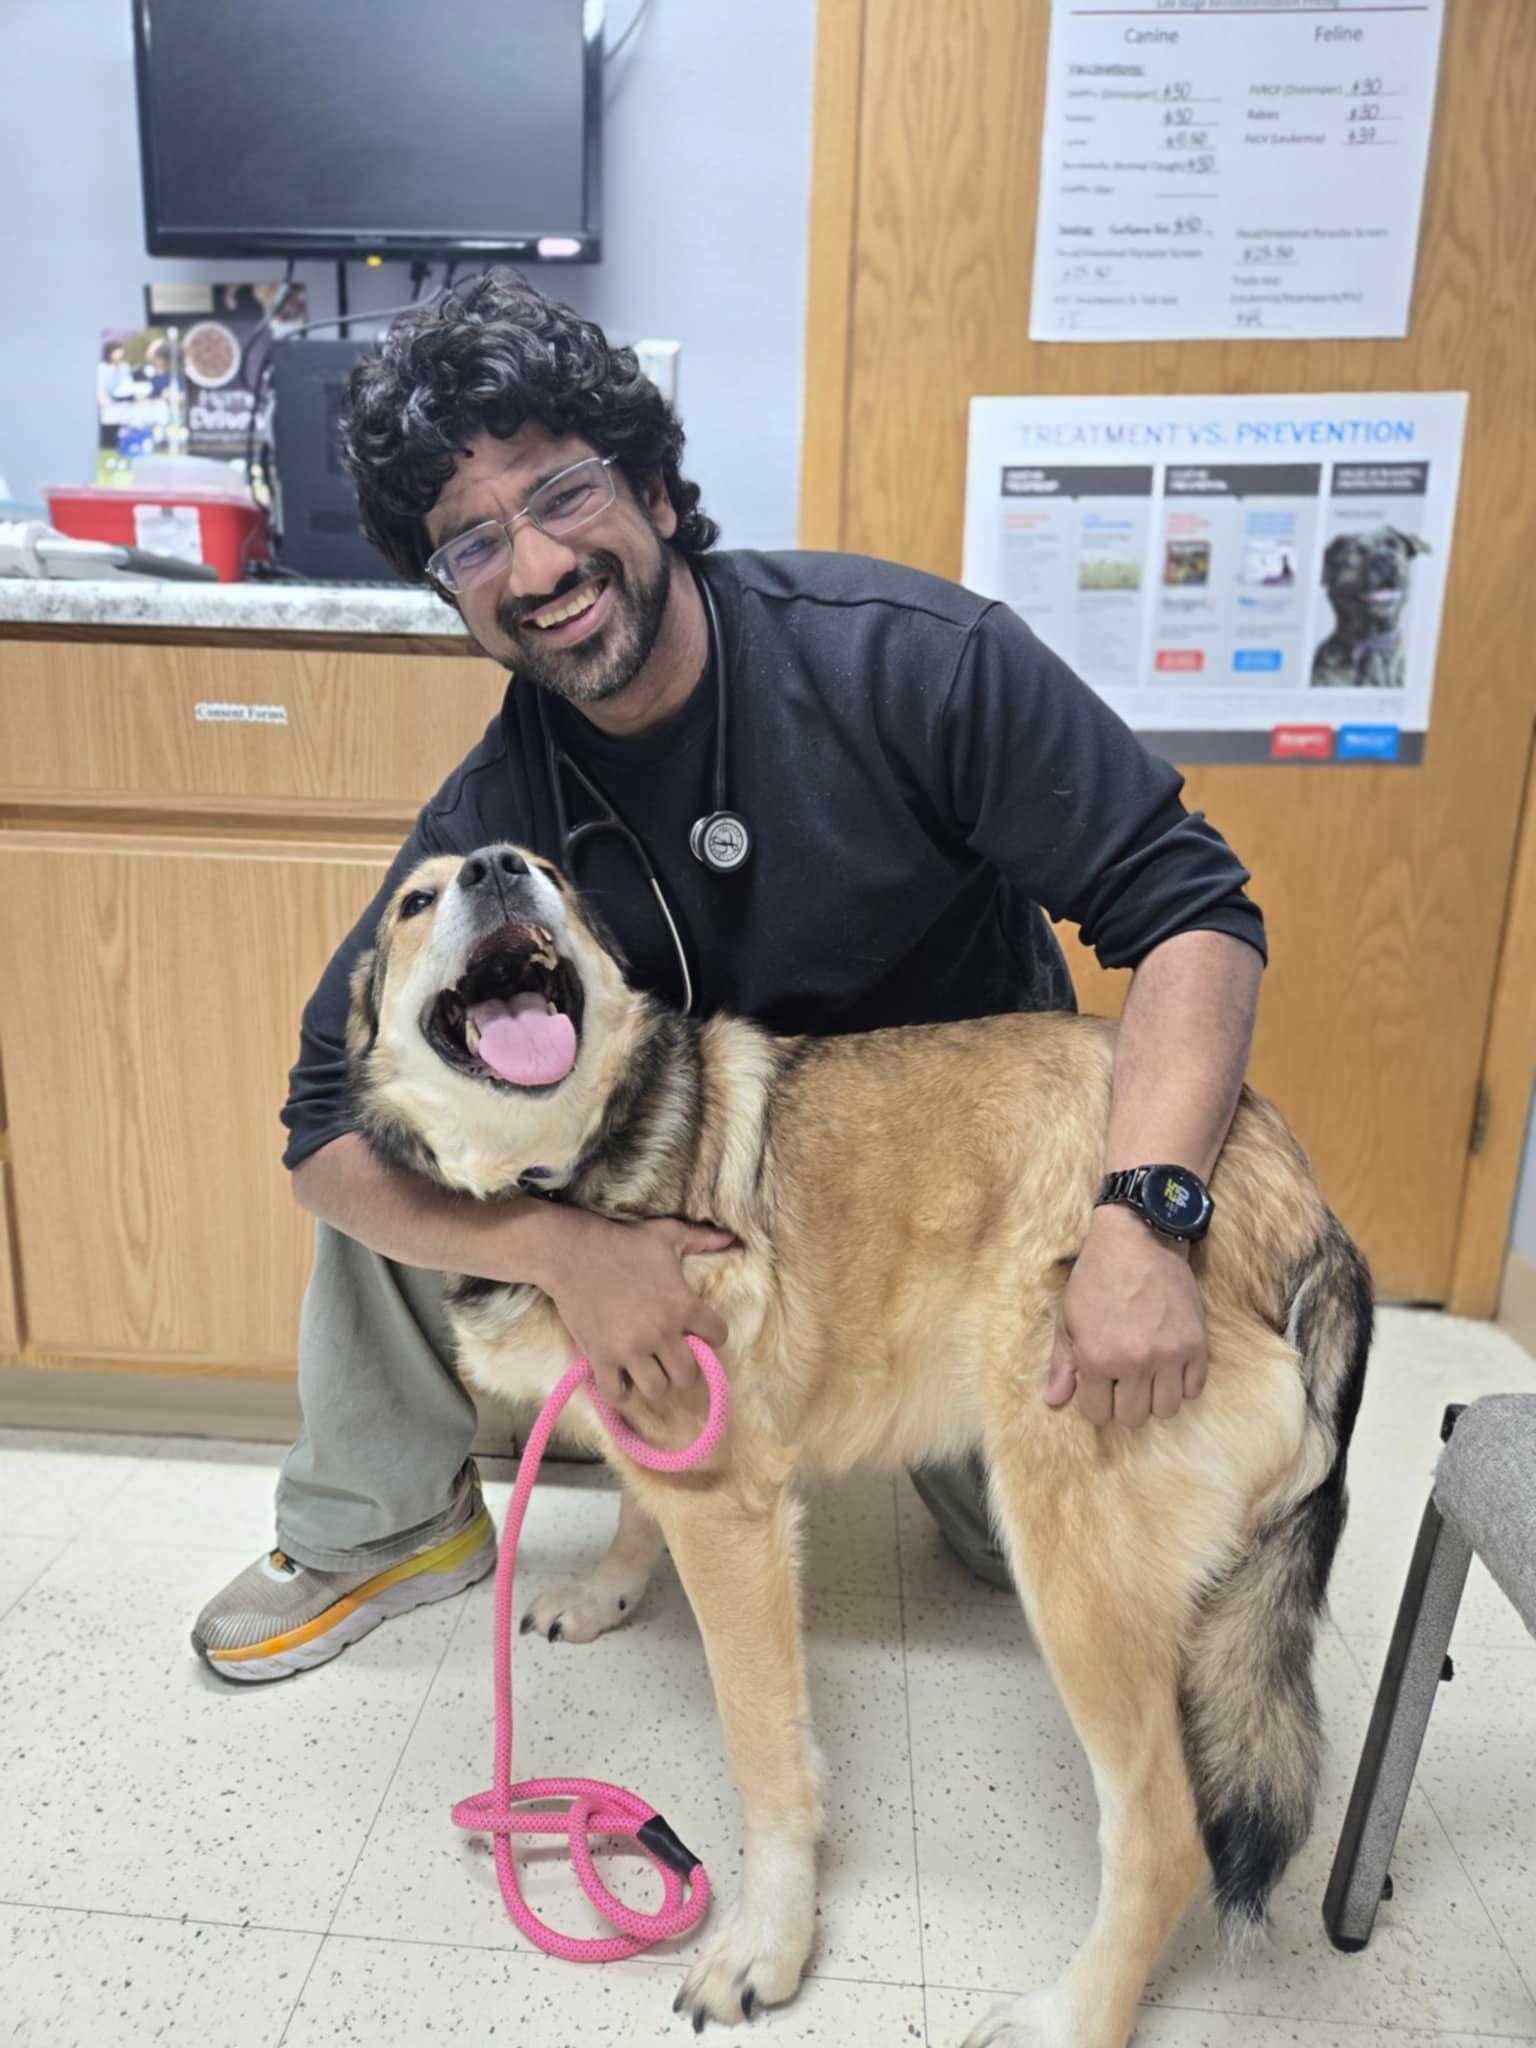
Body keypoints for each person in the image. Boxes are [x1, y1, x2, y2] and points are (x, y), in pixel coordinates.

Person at [192, 272, 1266, 1683]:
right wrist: (565, 1253)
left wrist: (1145, 1218)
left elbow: (1193, 908)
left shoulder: (911, 662)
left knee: (1082, 1551)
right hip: (688, 1192)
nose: (533, 569)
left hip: (952, 1207)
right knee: (411, 1102)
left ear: (647, 482)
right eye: (470, 546)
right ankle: (380, 1523)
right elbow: (318, 1131)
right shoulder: (494, 817)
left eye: (562, 494)